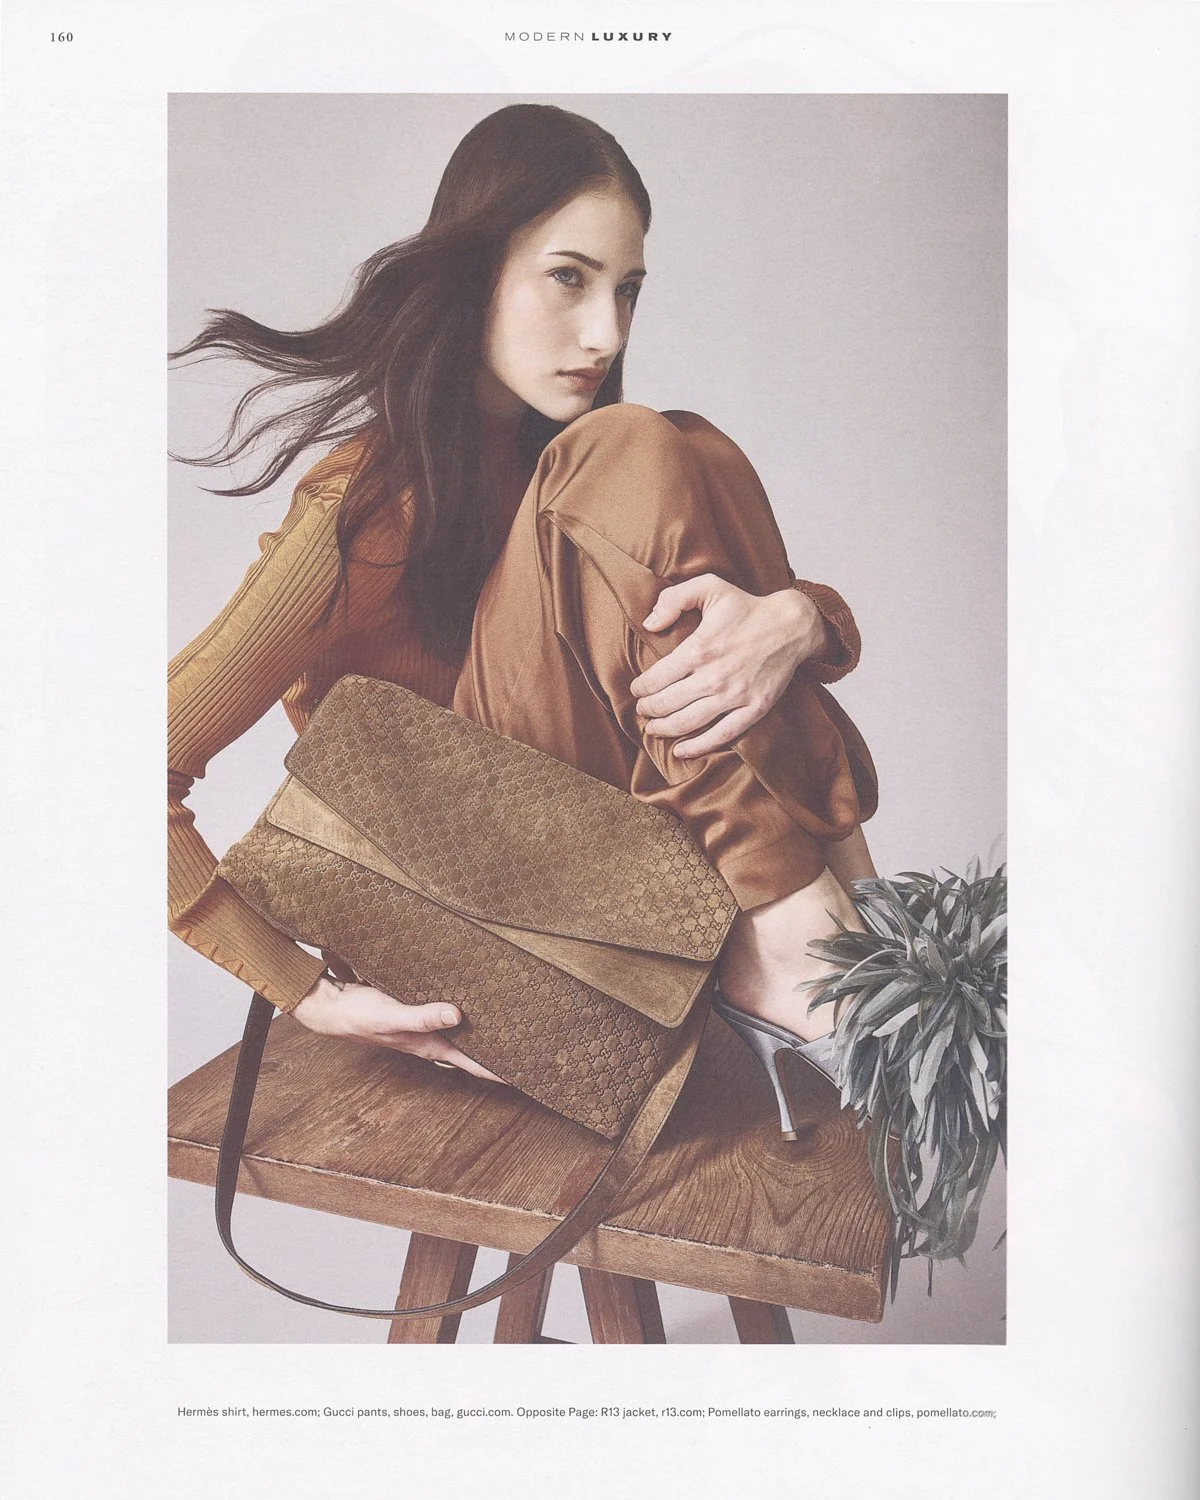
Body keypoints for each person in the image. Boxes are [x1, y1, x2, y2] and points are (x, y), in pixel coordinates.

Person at [169, 103, 877, 1114]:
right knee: (631, 445)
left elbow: (679, 595)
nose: (607, 331)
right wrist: (304, 991)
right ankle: (801, 936)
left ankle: (845, 916)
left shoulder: (554, 464)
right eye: (568, 278)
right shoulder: (366, 506)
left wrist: (804, 620)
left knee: (688, 446)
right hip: (477, 905)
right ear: (475, 274)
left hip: (594, 861)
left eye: (626, 290)